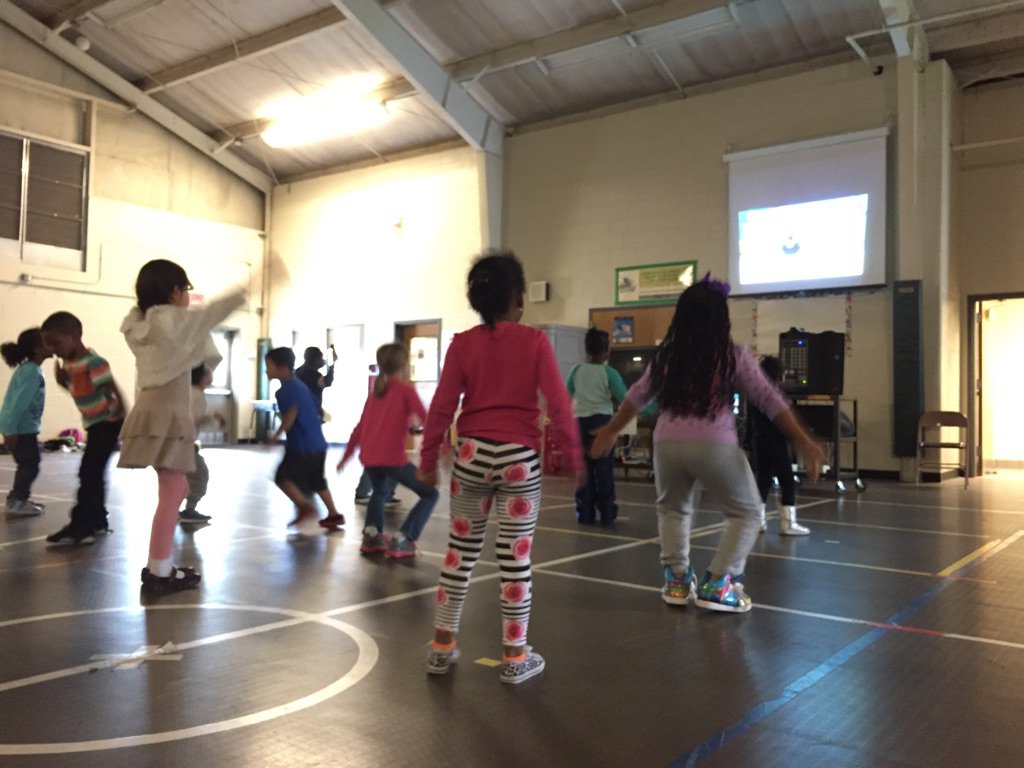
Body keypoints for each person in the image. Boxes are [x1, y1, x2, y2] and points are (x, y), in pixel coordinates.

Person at [589, 275, 823, 613]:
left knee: (672, 509)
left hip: (667, 445)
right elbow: (770, 400)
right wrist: (805, 441)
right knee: (746, 512)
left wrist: (612, 430)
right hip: (714, 444)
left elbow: (637, 395)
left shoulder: (669, 355)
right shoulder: (731, 355)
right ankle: (719, 583)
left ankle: (677, 581)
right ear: (721, 318)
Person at [417, 250, 584, 684]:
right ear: (519, 297)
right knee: (515, 561)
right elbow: (559, 404)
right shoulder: (534, 342)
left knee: (459, 554)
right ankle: (514, 656)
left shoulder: (462, 344)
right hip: (517, 461)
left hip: (471, 455)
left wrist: (427, 458)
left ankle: (441, 646)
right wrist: (572, 456)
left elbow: (441, 407)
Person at [118, 259, 244, 593]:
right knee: (173, 493)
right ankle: (159, 570)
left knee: (174, 490)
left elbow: (154, 316)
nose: (188, 297)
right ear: (175, 292)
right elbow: (211, 314)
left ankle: (161, 565)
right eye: (186, 289)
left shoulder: (139, 325)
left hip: (150, 409)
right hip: (170, 415)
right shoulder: (172, 321)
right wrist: (247, 287)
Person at [337, 343, 438, 557]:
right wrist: (444, 445)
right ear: (404, 364)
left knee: (380, 491)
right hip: (392, 459)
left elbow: (359, 428)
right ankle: (405, 538)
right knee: (430, 494)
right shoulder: (405, 390)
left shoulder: (376, 393)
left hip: (370, 460)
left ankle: (372, 535)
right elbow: (427, 419)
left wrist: (345, 458)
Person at [41, 311, 127, 543]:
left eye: (56, 343)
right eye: (49, 345)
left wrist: (122, 415)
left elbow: (111, 389)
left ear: (72, 336)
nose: (53, 350)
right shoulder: (70, 365)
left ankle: (83, 525)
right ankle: (97, 521)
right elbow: (81, 393)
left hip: (107, 423)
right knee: (93, 474)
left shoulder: (93, 362)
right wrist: (63, 383)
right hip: (94, 424)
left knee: (88, 473)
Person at [264, 346, 345, 531]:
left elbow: (291, 413)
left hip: (302, 446)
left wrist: (275, 436)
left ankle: (305, 508)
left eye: (269, 366)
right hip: (318, 444)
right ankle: (334, 515)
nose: (266, 370)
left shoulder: (287, 390)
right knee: (317, 480)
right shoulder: (298, 385)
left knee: (282, 477)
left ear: (283, 367)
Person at [566, 327, 626, 525]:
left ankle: (585, 513)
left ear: (587, 350)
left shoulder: (576, 370)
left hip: (580, 422)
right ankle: (607, 514)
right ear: (606, 352)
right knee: (604, 470)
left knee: (585, 470)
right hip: (603, 423)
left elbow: (566, 395)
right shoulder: (610, 373)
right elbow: (625, 398)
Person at [747, 355, 810, 536]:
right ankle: (788, 523)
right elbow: (783, 421)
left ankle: (758, 521)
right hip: (776, 442)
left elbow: (751, 423)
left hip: (759, 442)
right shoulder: (776, 394)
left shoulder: (753, 395)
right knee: (787, 481)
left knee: (763, 481)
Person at [0, 328, 49, 517]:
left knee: (28, 464)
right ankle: (17, 502)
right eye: (47, 341)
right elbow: (18, 404)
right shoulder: (31, 372)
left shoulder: (31, 369)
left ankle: (19, 498)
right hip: (22, 429)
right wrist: (10, 430)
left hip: (24, 428)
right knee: (30, 464)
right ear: (37, 348)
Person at [178, 364, 226, 524]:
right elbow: (191, 420)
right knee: (200, 476)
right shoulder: (197, 395)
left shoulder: (186, 392)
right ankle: (188, 509)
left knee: (181, 478)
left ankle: (174, 508)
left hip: (178, 443)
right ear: (203, 376)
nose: (211, 376)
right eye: (209, 373)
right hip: (184, 444)